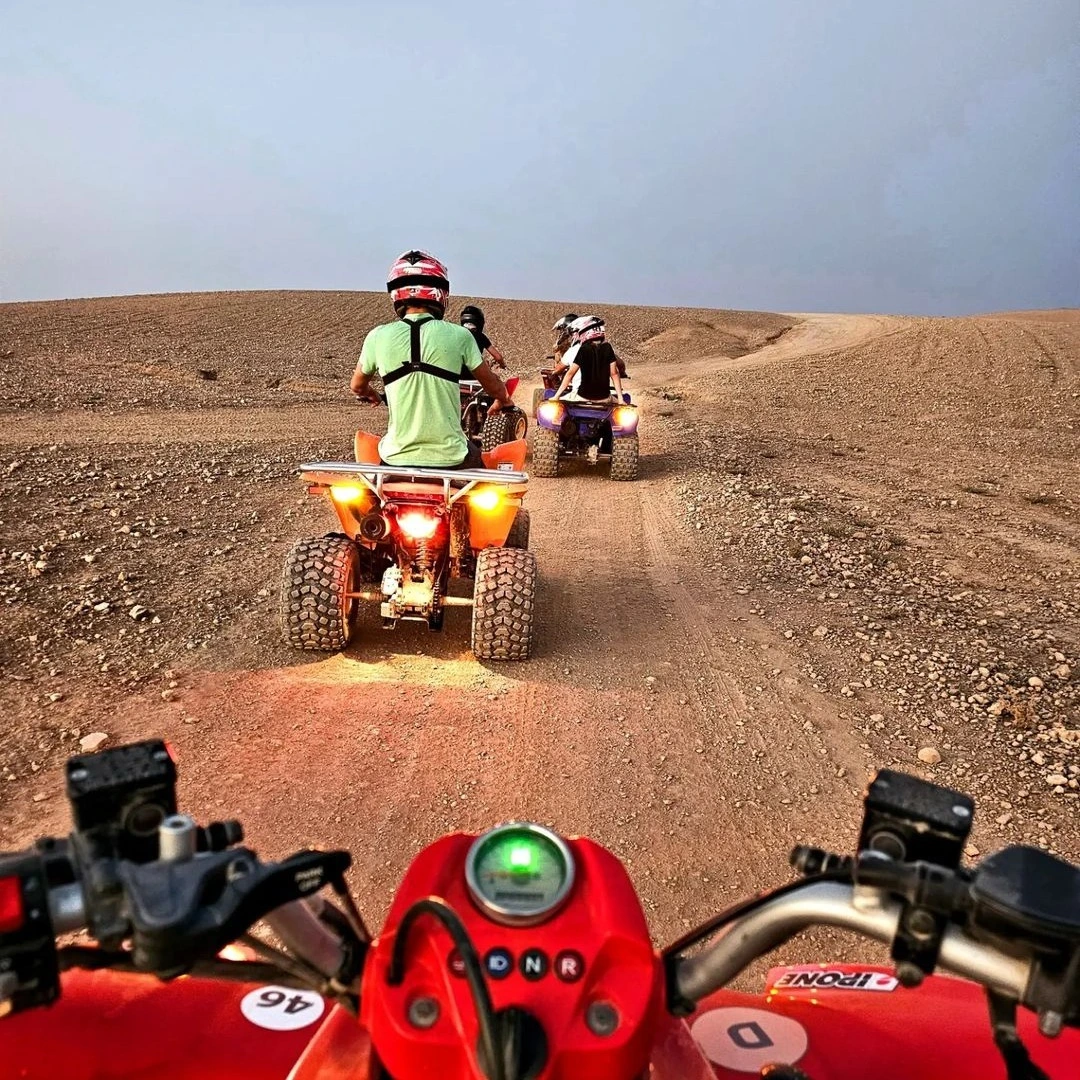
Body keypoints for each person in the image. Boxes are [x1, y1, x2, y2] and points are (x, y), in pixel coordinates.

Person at [350, 250, 512, 470]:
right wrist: (503, 398)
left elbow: (357, 386)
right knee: (490, 480)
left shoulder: (377, 336)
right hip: (452, 459)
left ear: (396, 293)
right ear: (440, 292)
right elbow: (492, 384)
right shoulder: (460, 335)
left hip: (395, 459)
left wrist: (372, 394)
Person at [551, 315, 627, 403]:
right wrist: (620, 399)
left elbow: (570, 373)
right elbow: (614, 373)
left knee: (556, 402)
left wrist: (556, 396)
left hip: (581, 396)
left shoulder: (581, 349)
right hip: (605, 398)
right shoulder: (608, 348)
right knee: (623, 403)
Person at [459, 305, 507, 372]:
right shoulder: (481, 337)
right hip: (474, 374)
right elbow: (498, 357)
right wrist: (503, 366)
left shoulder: (457, 335)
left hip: (456, 373)